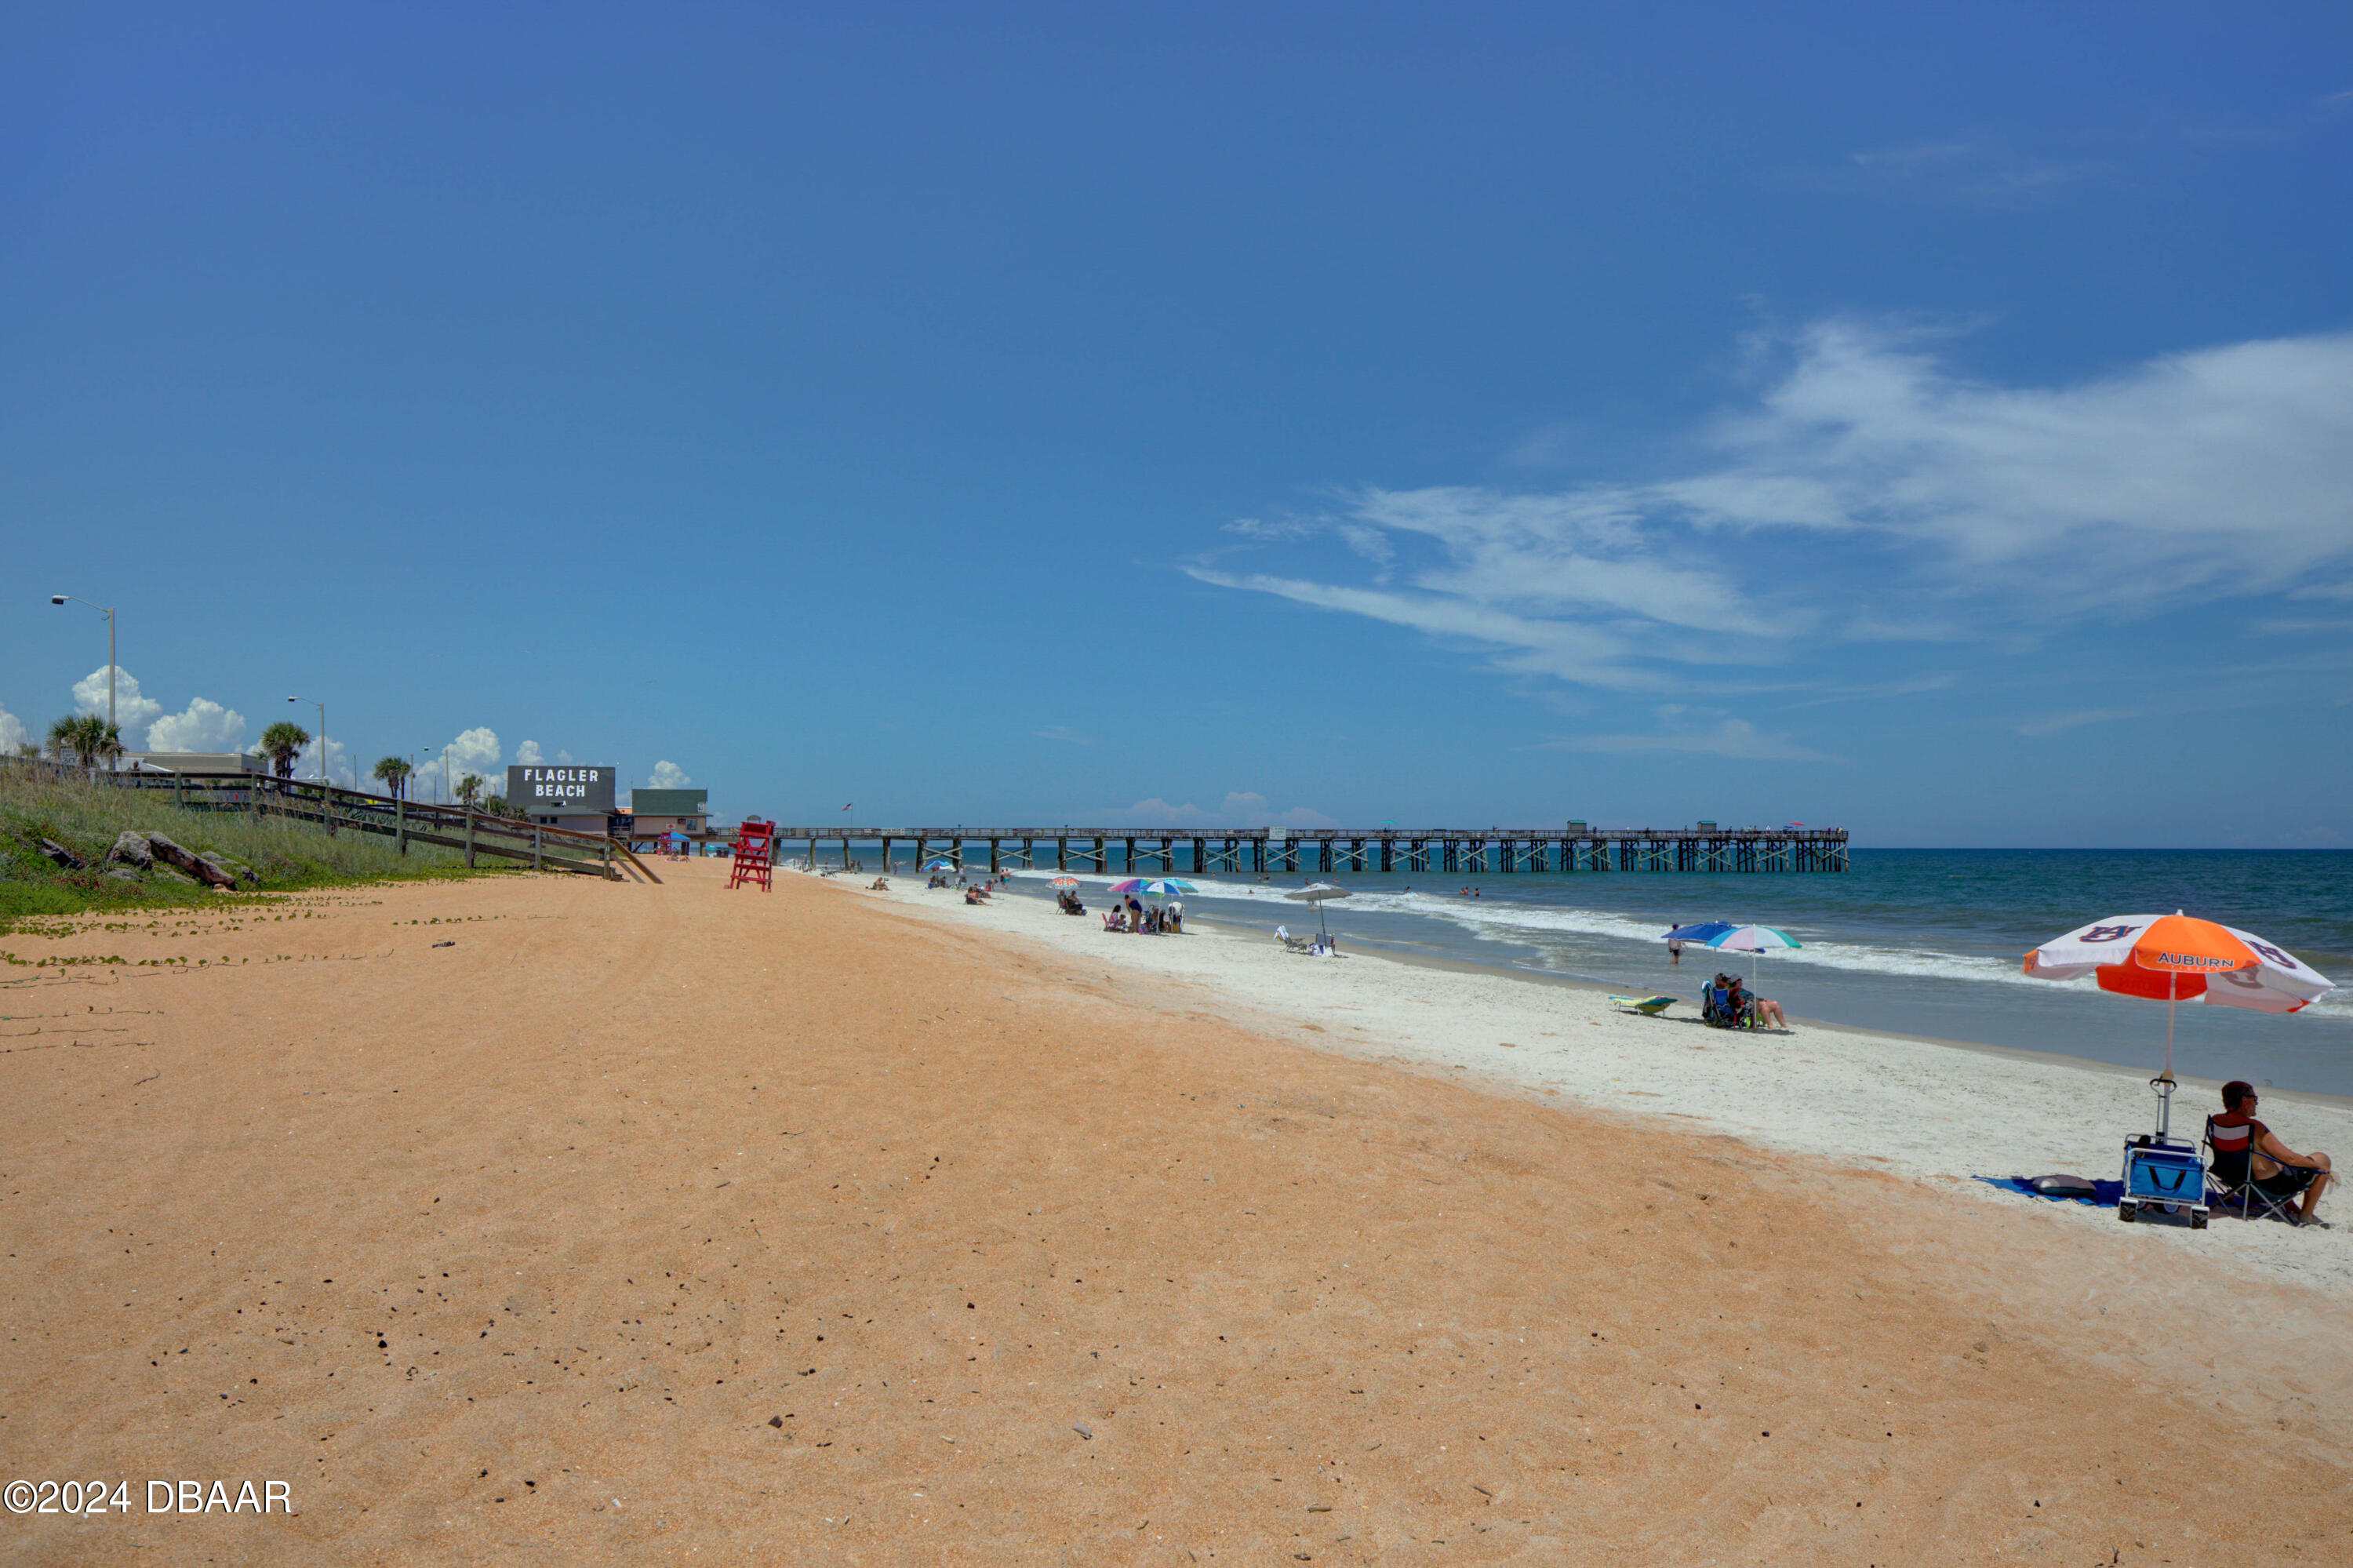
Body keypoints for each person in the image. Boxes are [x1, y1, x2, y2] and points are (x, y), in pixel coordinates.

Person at [2211, 1081, 2332, 1224]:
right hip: (2264, 1189)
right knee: (2322, 1159)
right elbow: (2290, 1159)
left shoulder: (2216, 1121)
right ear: (2244, 1100)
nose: (2256, 1103)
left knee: (2269, 1159)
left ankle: (2290, 1206)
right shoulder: (2254, 1127)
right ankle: (2306, 1214)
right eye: (2254, 1099)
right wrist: (2321, 1168)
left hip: (2236, 1183)